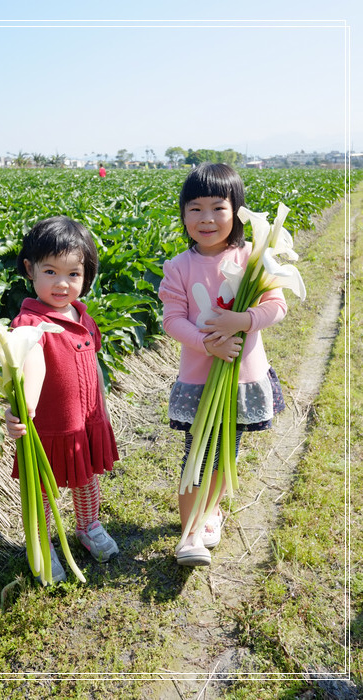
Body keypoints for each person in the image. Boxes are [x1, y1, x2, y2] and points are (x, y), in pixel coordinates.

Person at [158, 163, 287, 567]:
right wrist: (206, 345)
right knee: (197, 454)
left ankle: (211, 510)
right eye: (195, 209)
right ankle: (189, 535)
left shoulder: (254, 257)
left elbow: (276, 306)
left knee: (224, 451)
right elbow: (173, 319)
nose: (207, 219)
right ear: (183, 215)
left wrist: (241, 321)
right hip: (200, 379)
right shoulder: (179, 266)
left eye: (218, 208)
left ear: (237, 212)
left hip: (242, 379)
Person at [5, 216, 119, 582]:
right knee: (41, 491)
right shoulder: (28, 323)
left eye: (73, 274)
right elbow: (24, 373)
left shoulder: (82, 316)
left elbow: (93, 361)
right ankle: (41, 544)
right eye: (50, 271)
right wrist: (18, 410)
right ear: (30, 269)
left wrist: (100, 405)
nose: (61, 283)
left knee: (86, 479)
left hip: (84, 420)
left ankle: (88, 526)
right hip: (50, 429)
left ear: (86, 275)